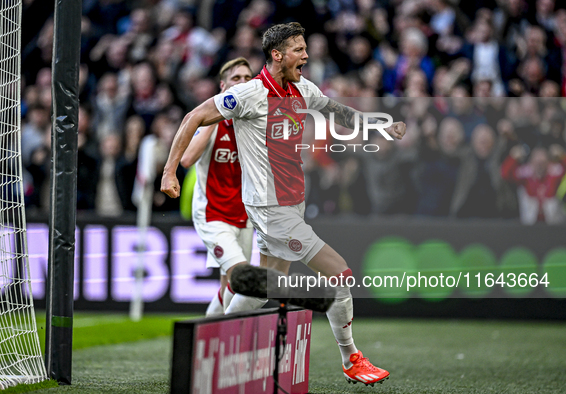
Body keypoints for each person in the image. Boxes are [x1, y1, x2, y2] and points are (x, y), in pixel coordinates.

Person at [161, 22, 406, 386]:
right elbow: (193, 117)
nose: (306, 55)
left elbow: (335, 110)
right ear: (277, 55)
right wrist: (169, 172)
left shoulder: (302, 88)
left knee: (267, 286)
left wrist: (378, 127)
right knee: (338, 273)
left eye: (306, 49)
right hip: (271, 211)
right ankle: (351, 358)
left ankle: (209, 350)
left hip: (291, 207)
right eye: (299, 50)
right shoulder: (250, 93)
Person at [179, 58, 254, 316]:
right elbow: (187, 159)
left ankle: (207, 344)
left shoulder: (253, 124)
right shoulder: (211, 122)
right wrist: (215, 113)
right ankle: (222, 341)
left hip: (244, 216)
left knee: (230, 286)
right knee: (242, 276)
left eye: (247, 78)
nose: (242, 82)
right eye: (236, 78)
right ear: (223, 86)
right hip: (213, 214)